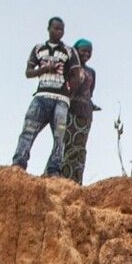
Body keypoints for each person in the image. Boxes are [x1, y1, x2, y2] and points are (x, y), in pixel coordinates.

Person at [8, 17, 71, 174]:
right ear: (49, 29)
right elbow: (28, 72)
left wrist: (70, 91)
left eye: (61, 29)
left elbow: (75, 72)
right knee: (28, 129)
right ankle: (19, 164)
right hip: (42, 94)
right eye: (56, 28)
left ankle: (54, 169)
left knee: (60, 136)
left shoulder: (68, 51)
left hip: (61, 98)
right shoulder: (38, 49)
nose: (59, 32)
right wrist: (43, 70)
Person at [51, 38, 97, 181]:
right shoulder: (70, 68)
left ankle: (76, 180)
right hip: (70, 111)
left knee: (80, 147)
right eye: (83, 50)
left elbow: (90, 92)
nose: (86, 54)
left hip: (85, 114)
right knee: (65, 144)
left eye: (89, 51)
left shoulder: (91, 72)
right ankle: (59, 177)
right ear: (76, 50)